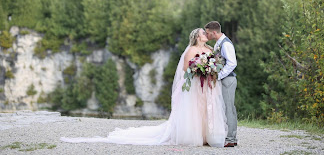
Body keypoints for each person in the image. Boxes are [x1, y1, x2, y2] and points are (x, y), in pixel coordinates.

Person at [61, 28, 227, 147]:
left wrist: (210, 68)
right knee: (194, 110)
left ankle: (206, 135)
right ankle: (194, 135)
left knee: (205, 108)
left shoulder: (209, 49)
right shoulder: (191, 50)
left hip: (206, 86)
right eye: (203, 33)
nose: (206, 34)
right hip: (195, 85)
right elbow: (185, 68)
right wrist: (199, 69)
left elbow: (213, 62)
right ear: (197, 37)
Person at [204, 21, 238, 147]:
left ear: (214, 32)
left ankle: (230, 138)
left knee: (229, 108)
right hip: (223, 80)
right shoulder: (219, 43)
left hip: (228, 80)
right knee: (225, 108)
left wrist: (218, 76)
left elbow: (232, 63)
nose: (206, 35)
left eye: (207, 33)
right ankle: (230, 137)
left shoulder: (226, 44)